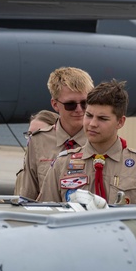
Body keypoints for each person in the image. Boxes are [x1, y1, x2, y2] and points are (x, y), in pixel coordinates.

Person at [38, 80, 136, 205]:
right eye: (89, 115)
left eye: (102, 118)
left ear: (120, 122)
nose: (92, 124)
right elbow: (46, 213)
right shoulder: (62, 163)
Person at [16, 67, 94, 200]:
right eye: (70, 104)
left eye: (85, 103)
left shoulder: (100, 139)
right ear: (55, 104)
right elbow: (28, 196)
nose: (79, 109)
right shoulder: (38, 142)